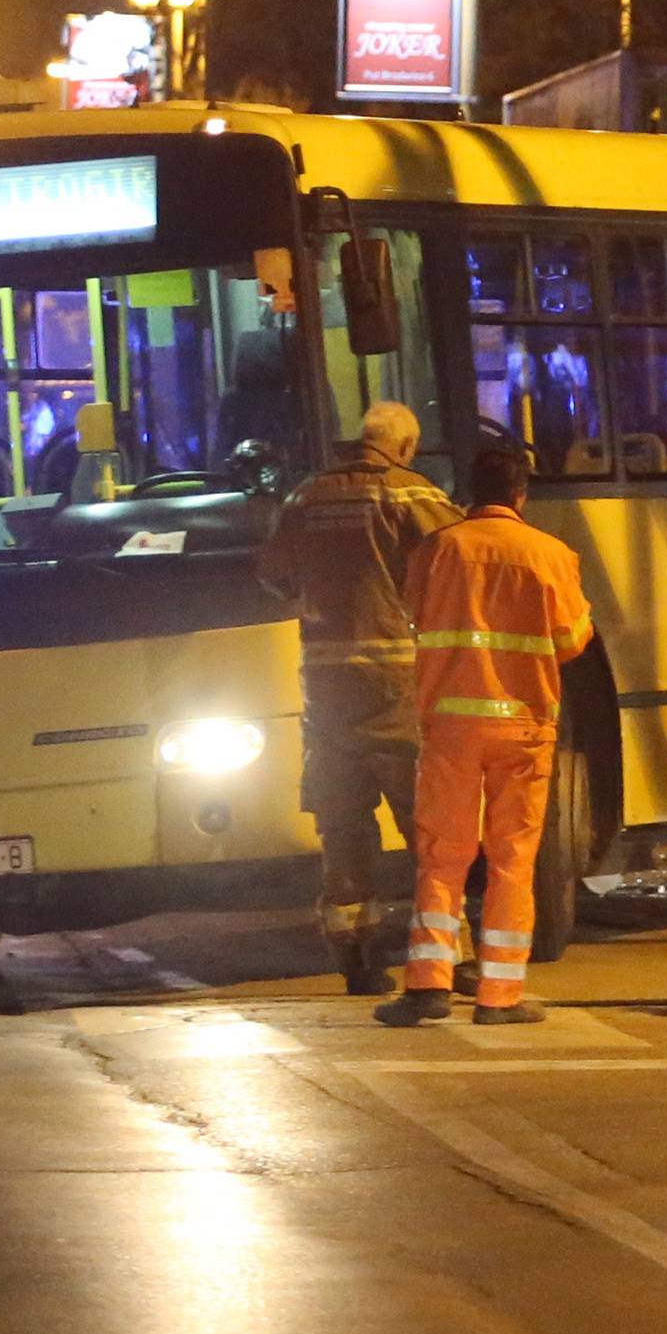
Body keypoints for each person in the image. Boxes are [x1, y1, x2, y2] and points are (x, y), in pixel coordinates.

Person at [376, 443, 595, 1027]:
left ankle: (428, 985)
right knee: (511, 861)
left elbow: (411, 614)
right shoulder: (552, 555)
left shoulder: (438, 549)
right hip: (524, 729)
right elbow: (573, 641)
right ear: (521, 493)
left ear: (468, 491)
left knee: (442, 857)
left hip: (451, 724)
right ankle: (499, 998)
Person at [259, 400, 463, 995]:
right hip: (396, 685)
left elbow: (273, 575)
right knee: (428, 828)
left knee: (344, 831)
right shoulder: (412, 495)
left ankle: (355, 957)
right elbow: (460, 562)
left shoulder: (304, 497)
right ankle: (447, 956)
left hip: (325, 693)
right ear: (401, 448)